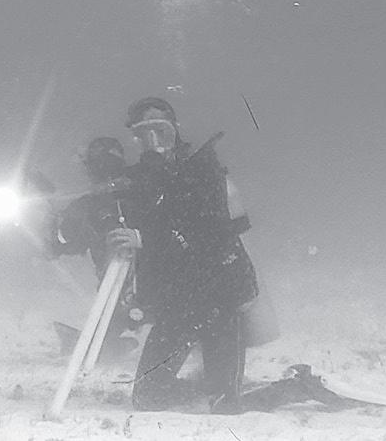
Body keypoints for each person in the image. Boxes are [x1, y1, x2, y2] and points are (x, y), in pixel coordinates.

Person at [107, 97, 258, 415]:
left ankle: (293, 386)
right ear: (135, 137)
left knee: (225, 406)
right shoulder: (139, 180)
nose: (154, 140)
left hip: (219, 298)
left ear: (175, 128)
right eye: (144, 132)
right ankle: (207, 389)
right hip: (177, 304)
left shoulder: (202, 168)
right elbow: (115, 212)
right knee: (147, 397)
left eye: (160, 129)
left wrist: (143, 238)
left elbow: (210, 231)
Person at [41, 136, 139, 366]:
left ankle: (96, 344)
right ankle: (95, 345)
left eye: (109, 165)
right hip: (117, 292)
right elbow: (58, 246)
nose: (106, 176)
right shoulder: (86, 208)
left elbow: (58, 247)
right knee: (117, 314)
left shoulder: (140, 197)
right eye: (98, 166)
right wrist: (51, 219)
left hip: (142, 285)